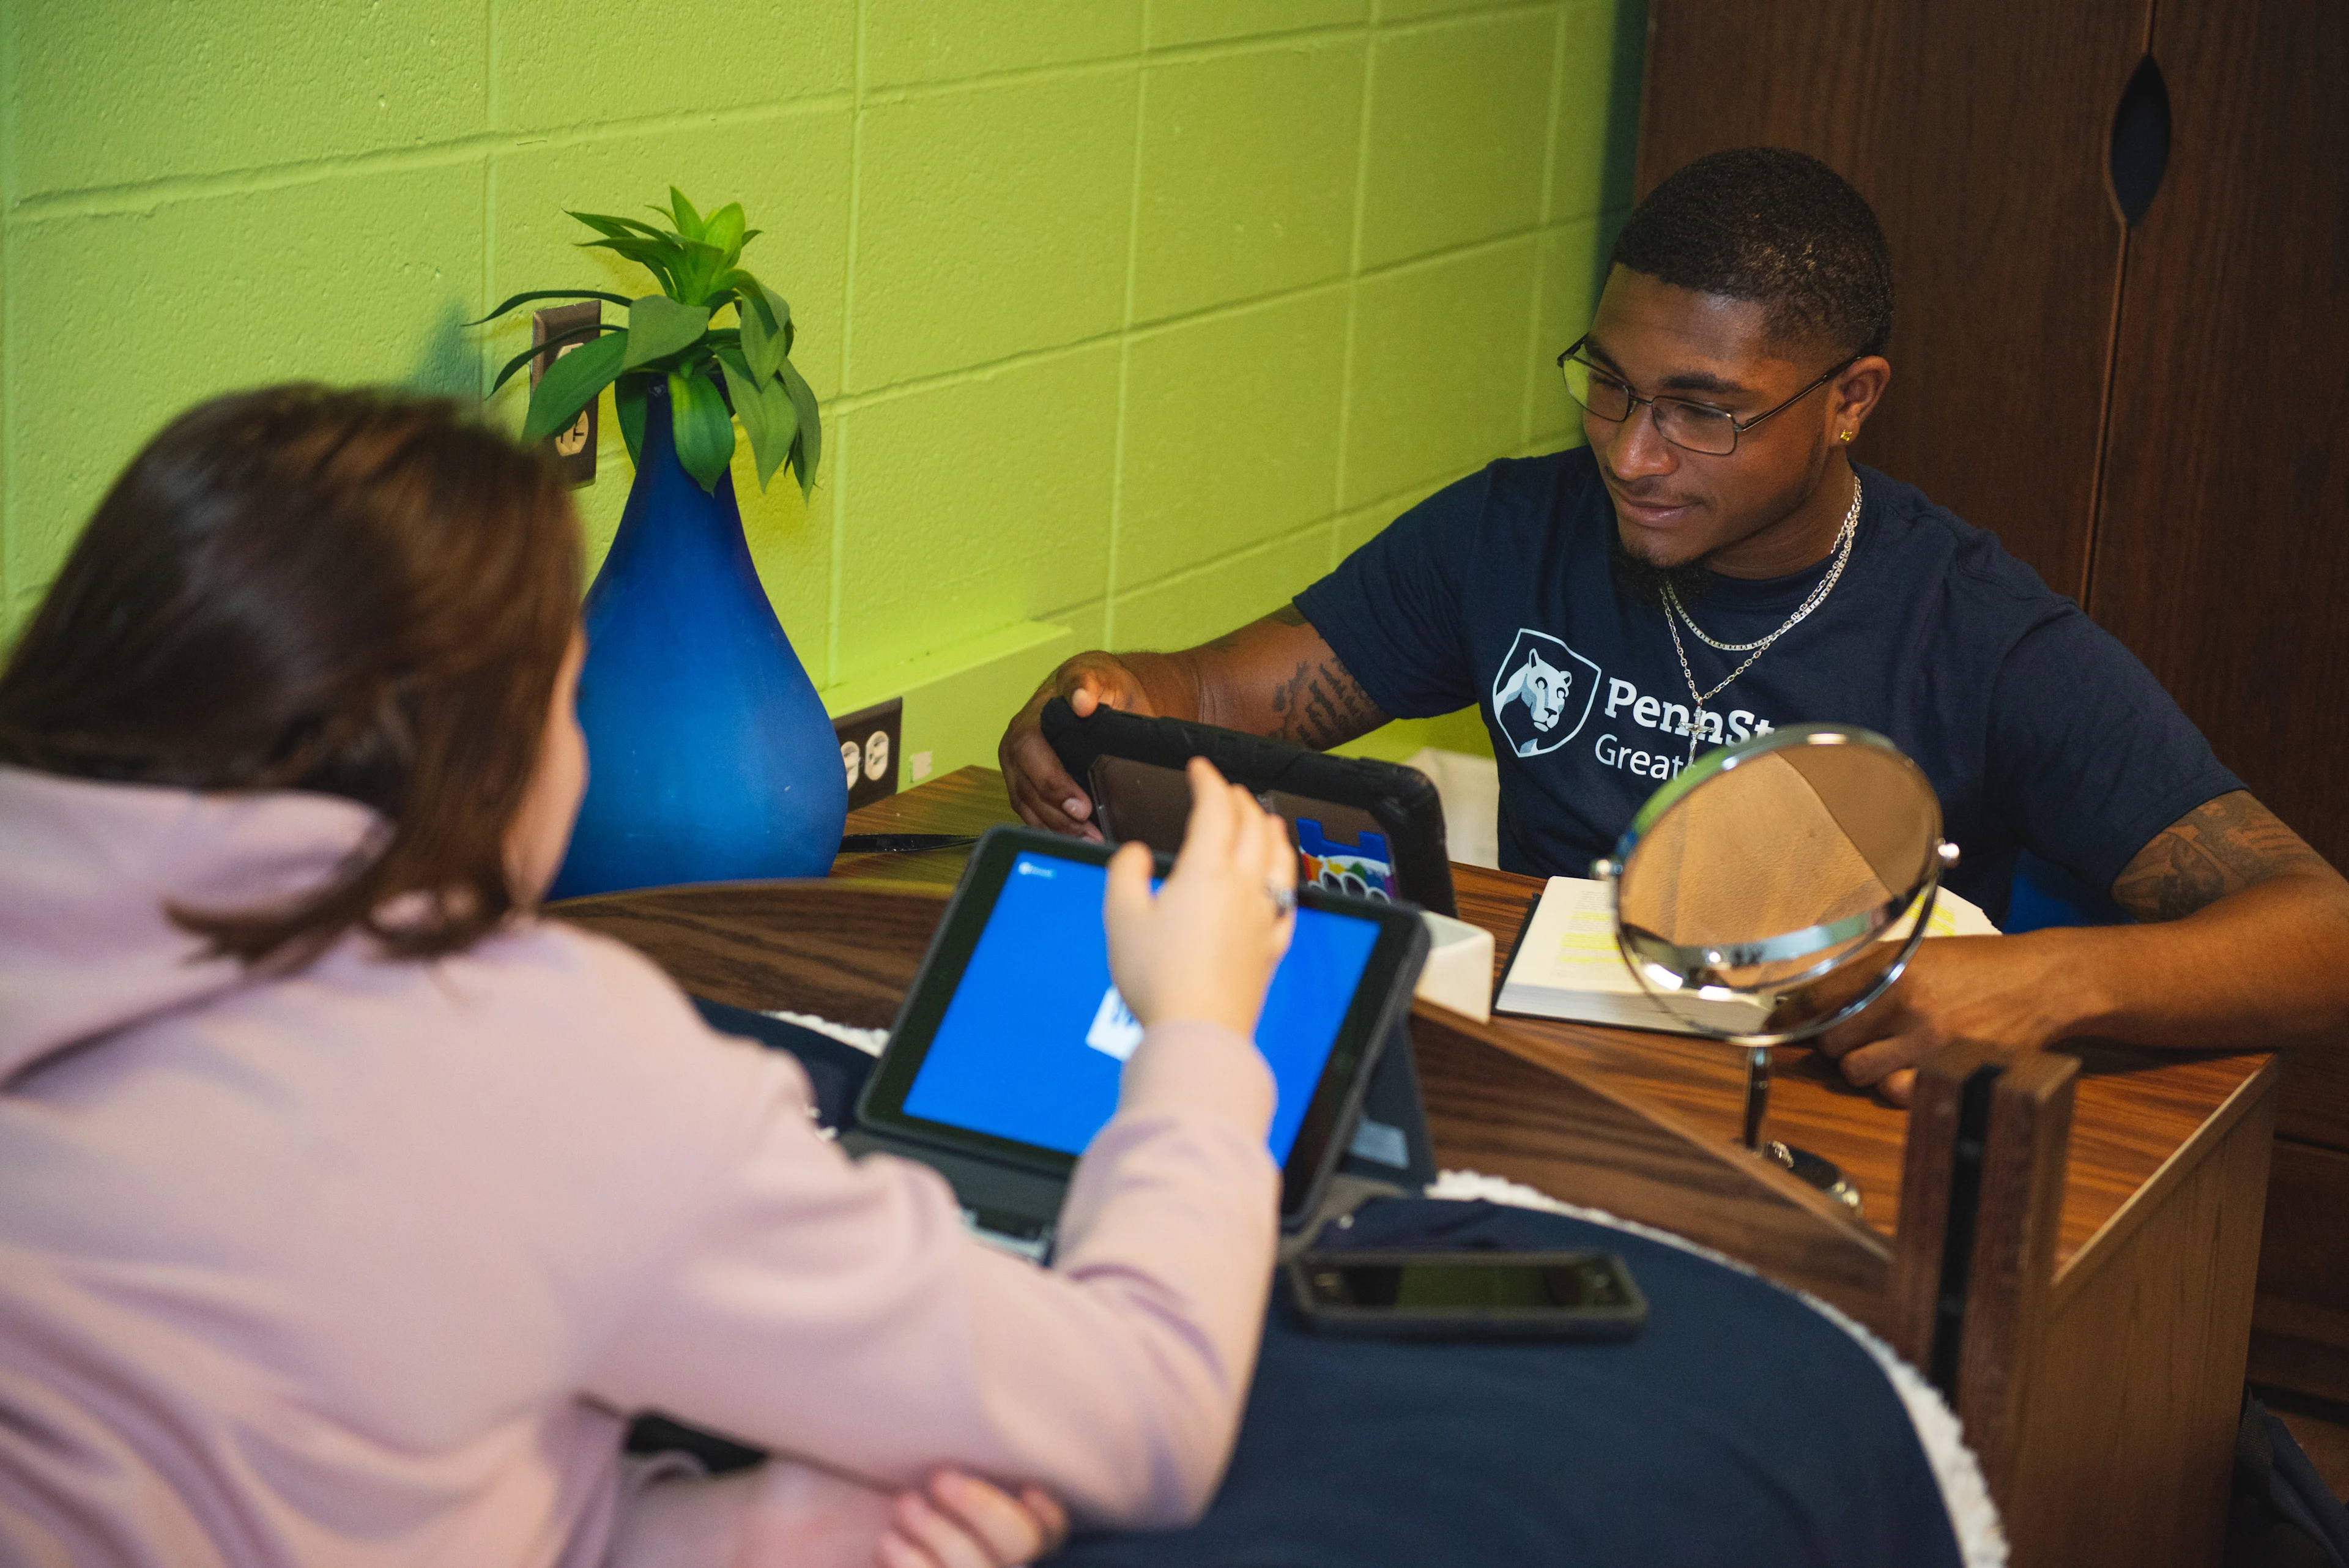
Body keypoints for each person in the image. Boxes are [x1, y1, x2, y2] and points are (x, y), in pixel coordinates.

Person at [0, 387, 1304, 1568]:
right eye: (571, 696)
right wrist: (1193, 1026)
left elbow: (311, 1479)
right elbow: (1144, 1409)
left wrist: (718, 1530)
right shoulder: (533, 1053)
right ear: (487, 751)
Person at [1001, 147, 2349, 1106]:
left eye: (1705, 409)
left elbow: (2320, 934)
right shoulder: (1508, 531)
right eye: (1611, 385)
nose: (1634, 455)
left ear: (1851, 397)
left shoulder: (1978, 633)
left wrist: (2045, 985)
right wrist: (1101, 699)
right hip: (1534, 1090)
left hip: (1811, 1122)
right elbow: (1224, 703)